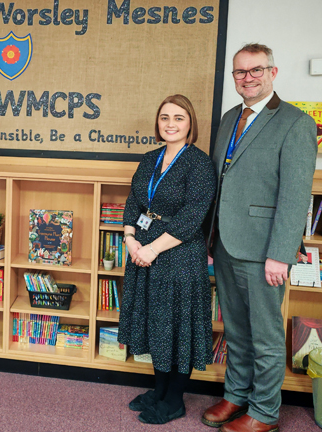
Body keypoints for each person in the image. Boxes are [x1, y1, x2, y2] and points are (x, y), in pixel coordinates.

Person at [202, 44, 317, 432]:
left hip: (264, 250)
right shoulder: (230, 117)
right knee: (235, 330)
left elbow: (294, 195)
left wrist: (281, 254)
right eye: (240, 72)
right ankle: (236, 396)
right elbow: (222, 179)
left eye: (255, 70)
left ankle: (265, 413)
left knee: (265, 337)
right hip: (226, 244)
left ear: (273, 72)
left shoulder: (295, 123)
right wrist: (209, 239)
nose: (247, 77)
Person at [119, 94, 217, 424]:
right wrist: (131, 239)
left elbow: (192, 218)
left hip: (179, 256)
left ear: (190, 124)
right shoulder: (149, 158)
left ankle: (174, 399)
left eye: (178, 118)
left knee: (176, 328)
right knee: (156, 324)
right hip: (143, 251)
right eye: (164, 118)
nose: (170, 124)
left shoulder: (200, 164)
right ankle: (159, 390)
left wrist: (151, 249)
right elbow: (134, 200)